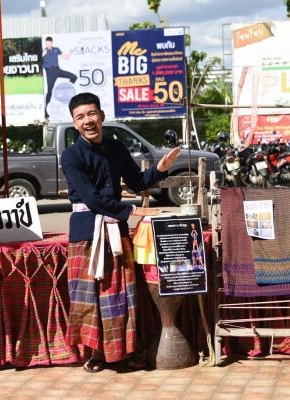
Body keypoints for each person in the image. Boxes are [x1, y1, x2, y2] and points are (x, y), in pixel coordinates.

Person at [60, 92, 180, 373]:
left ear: (101, 116)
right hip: (87, 234)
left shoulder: (116, 148)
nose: (88, 121)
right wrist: (132, 212)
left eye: (92, 114)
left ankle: (122, 353)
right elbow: (92, 199)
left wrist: (160, 170)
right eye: (81, 117)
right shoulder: (71, 156)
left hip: (116, 231)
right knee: (91, 297)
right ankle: (95, 354)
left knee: (119, 296)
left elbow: (137, 182)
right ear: (75, 123)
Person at [43, 36, 77, 119]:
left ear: (52, 43)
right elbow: (39, 60)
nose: (48, 45)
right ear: (45, 43)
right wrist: (43, 54)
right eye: (47, 43)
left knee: (74, 77)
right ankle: (46, 112)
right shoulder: (44, 51)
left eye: (50, 43)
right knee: (49, 92)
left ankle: (66, 90)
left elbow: (66, 57)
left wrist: (70, 52)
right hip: (50, 72)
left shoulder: (56, 49)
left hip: (58, 70)